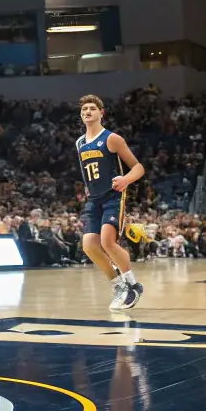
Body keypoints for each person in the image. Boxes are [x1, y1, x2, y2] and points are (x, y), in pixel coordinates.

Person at [75, 94, 145, 309]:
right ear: (81, 114)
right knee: (89, 246)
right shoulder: (79, 143)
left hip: (113, 196)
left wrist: (126, 180)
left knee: (107, 241)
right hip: (93, 199)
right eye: (84, 109)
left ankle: (133, 285)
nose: (88, 111)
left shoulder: (112, 138)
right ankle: (118, 285)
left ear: (101, 113)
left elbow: (138, 167)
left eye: (92, 109)